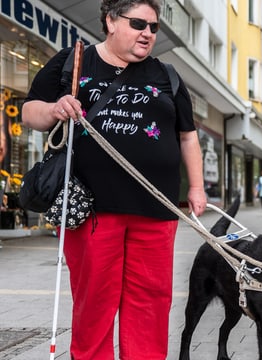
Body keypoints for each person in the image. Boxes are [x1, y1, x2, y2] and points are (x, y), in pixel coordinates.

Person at [21, 1, 207, 358]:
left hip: (156, 209)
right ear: (110, 20)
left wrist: (196, 188)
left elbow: (187, 136)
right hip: (92, 207)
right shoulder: (73, 61)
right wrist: (56, 108)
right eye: (139, 24)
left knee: (151, 302)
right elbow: (30, 112)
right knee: (95, 301)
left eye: (154, 28)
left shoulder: (167, 75)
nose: (147, 33)